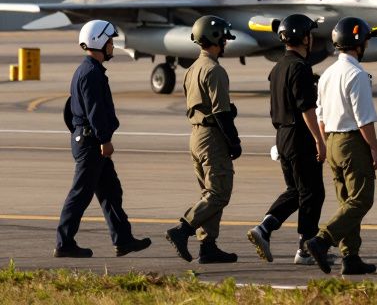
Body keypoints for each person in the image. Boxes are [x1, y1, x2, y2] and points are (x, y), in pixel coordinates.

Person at [54, 20, 151, 258]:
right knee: (81, 194)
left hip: (88, 140)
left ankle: (124, 240)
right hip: (92, 144)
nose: (112, 46)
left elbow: (71, 110)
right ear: (99, 42)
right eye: (110, 41)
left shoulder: (87, 70)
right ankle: (64, 243)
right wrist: (103, 139)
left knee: (110, 191)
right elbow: (94, 110)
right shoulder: (91, 74)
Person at [301, 17, 377, 275]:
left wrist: (325, 143)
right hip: (352, 141)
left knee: (346, 202)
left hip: (333, 141)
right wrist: (374, 148)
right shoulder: (357, 74)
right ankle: (322, 240)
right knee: (361, 200)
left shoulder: (327, 73)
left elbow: (321, 114)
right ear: (358, 44)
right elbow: (364, 118)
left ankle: (351, 257)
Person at [246, 14, 330, 266]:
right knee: (313, 192)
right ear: (305, 38)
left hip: (282, 135)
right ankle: (305, 249)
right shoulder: (299, 67)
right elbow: (307, 108)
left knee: (296, 191)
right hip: (300, 137)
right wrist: (319, 140)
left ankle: (265, 228)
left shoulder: (278, 68)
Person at [165, 15, 242, 264]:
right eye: (224, 37)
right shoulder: (215, 70)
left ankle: (207, 246)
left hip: (196, 136)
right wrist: (234, 141)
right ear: (216, 38)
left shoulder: (192, 69)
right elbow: (220, 112)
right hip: (211, 137)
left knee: (208, 193)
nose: (226, 42)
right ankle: (183, 229)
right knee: (219, 193)